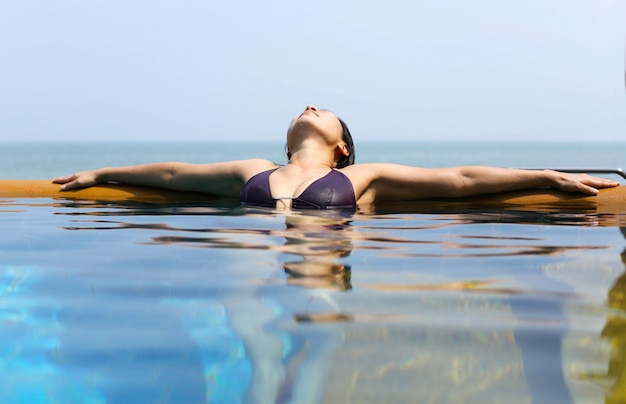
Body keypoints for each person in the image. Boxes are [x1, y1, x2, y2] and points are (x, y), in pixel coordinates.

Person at [53, 105, 620, 210]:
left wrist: (545, 176)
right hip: (257, 281)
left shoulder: (360, 177)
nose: (309, 104)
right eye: (305, 105)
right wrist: (104, 172)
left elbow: (458, 179)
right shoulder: (253, 170)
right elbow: (175, 175)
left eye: (322, 108)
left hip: (325, 281)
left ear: (340, 144)